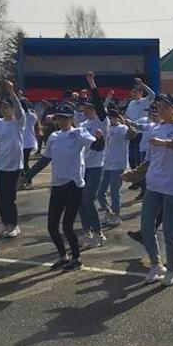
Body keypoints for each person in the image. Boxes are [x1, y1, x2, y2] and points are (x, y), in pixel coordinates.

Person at [130, 96, 173, 286]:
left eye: (164, 107)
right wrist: (134, 174)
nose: (160, 110)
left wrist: (166, 143)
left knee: (170, 231)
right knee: (146, 227)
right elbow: (149, 160)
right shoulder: (155, 129)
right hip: (154, 185)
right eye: (159, 106)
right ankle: (156, 264)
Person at [34, 103, 103, 271]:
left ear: (72, 119)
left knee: (67, 226)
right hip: (57, 184)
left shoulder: (79, 133)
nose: (62, 121)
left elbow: (97, 146)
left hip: (74, 185)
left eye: (66, 118)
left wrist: (100, 139)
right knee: (52, 226)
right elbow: (45, 159)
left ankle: (76, 258)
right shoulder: (54, 136)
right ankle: (63, 256)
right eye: (59, 118)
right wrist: (27, 175)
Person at [0, 80, 26, 238]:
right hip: (0, 165)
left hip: (14, 166)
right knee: (0, 198)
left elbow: (20, 111)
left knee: (9, 198)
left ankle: (14, 225)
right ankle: (6, 224)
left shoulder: (18, 122)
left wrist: (12, 92)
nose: (3, 109)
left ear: (12, 109)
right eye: (2, 107)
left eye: (7, 107)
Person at [78, 71, 109, 249]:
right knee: (81, 201)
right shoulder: (83, 125)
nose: (87, 110)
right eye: (86, 108)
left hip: (96, 167)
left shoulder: (101, 121)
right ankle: (87, 232)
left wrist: (91, 83)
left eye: (90, 108)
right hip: (83, 167)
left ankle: (99, 233)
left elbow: (98, 101)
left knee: (88, 199)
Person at [97, 106, 136, 227]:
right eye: (108, 118)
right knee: (100, 192)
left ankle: (116, 215)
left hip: (118, 164)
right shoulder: (107, 128)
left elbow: (131, 135)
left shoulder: (122, 128)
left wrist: (129, 125)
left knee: (114, 192)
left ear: (116, 118)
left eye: (111, 118)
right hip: (107, 163)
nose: (109, 120)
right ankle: (108, 212)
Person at [124, 78, 155, 168]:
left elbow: (152, 94)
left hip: (141, 132)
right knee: (131, 157)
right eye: (132, 92)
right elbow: (126, 116)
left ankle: (139, 174)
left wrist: (142, 84)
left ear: (141, 92)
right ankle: (134, 173)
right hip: (132, 131)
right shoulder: (131, 103)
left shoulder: (145, 101)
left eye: (135, 92)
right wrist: (127, 125)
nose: (133, 94)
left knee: (138, 156)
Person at [21, 98, 39, 188]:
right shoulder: (33, 116)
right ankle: (26, 179)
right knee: (24, 162)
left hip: (25, 142)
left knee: (23, 162)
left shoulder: (21, 116)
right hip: (30, 142)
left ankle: (27, 180)